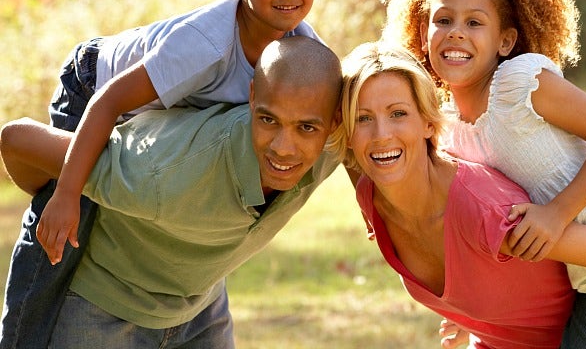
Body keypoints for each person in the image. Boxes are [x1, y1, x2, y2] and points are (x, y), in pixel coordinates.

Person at [0, 0, 325, 348]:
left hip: (165, 113)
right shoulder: (206, 46)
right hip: (95, 85)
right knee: (65, 226)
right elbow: (109, 101)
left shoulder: (300, 49)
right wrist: (68, 194)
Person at [0, 36, 343, 348]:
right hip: (105, 315)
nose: (284, 148)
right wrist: (59, 196)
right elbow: (16, 140)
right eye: (269, 120)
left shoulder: (340, 140)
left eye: (306, 128)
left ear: (336, 122)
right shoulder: (160, 173)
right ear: (253, 98)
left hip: (201, 307)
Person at [380, 0, 586, 348]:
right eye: (443, 19)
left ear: (505, 40)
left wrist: (557, 213)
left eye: (474, 22)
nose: (456, 32)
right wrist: (472, 315)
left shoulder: (519, 84)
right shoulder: (447, 129)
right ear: (423, 34)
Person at [334, 40, 586, 349]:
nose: (381, 134)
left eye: (398, 113)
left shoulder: (486, 213)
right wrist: (470, 313)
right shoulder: (372, 198)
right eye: (363, 118)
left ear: (428, 122)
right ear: (346, 131)